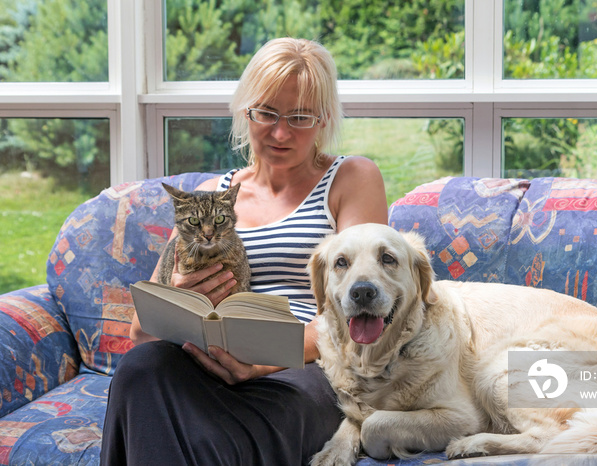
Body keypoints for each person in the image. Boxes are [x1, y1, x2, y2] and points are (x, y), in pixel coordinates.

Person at [101, 38, 388, 465]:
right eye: (267, 113)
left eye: (300, 117)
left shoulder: (351, 178)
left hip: (306, 370)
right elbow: (139, 331)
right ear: (244, 111)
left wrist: (263, 362)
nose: (280, 132)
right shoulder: (208, 201)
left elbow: (368, 311)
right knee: (141, 369)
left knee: (202, 435)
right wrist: (181, 295)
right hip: (209, 362)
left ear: (324, 118)